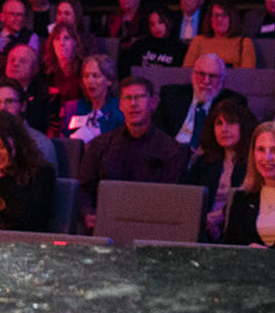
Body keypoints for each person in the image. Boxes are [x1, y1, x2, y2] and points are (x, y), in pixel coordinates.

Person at [77, 77, 192, 231]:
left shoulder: (172, 150)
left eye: (140, 97)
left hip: (151, 229)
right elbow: (82, 188)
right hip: (105, 227)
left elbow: (172, 200)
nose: (133, 104)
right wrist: (88, 214)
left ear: (153, 103)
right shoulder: (100, 145)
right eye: (128, 98)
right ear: (120, 105)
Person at [184, 99, 257, 239]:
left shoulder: (254, 162)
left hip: (237, 229)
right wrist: (202, 221)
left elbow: (249, 203)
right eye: (219, 123)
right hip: (201, 228)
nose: (224, 129)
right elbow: (186, 196)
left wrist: (216, 220)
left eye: (230, 122)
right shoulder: (204, 161)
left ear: (244, 126)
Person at [0, 81, 62, 169]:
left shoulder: (40, 144)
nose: (2, 107)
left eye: (9, 101)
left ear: (23, 106)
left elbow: (47, 187)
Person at [61, 54, 124, 143]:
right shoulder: (72, 108)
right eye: (86, 76)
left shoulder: (120, 108)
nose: (90, 81)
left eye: (95, 76)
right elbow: (64, 142)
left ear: (109, 80)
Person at [184, 3, 255, 68]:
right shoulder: (198, 41)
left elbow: (248, 75)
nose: (219, 19)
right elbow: (186, 72)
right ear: (210, 19)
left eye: (224, 15)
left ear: (231, 18)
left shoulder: (244, 43)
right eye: (215, 15)